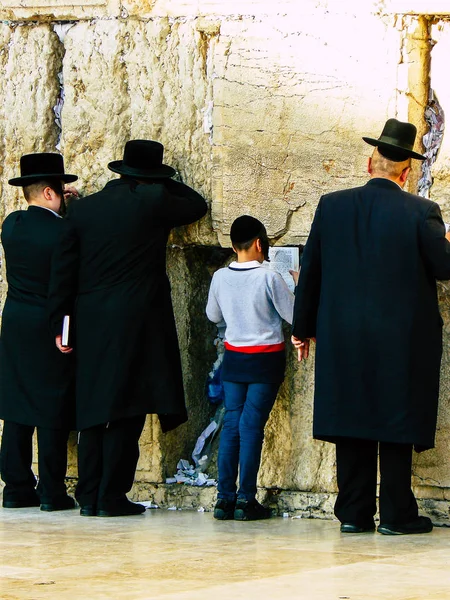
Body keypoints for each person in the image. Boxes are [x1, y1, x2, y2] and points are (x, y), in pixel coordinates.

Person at [291, 118, 450, 535]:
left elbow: (312, 271)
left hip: (344, 335)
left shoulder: (332, 205)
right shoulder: (422, 211)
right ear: (406, 171)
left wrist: (301, 328)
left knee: (352, 416)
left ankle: (354, 514)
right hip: (401, 338)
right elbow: (445, 266)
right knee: (396, 417)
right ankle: (397, 515)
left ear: (369, 163)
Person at [48, 140, 208, 517]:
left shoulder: (82, 209)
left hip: (89, 320)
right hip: (138, 321)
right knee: (127, 409)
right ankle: (111, 497)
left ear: (119, 171)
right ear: (151, 174)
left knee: (93, 407)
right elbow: (197, 204)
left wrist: (61, 324)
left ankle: (88, 495)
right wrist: (165, 181)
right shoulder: (152, 201)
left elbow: (63, 271)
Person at [0, 153, 77, 511]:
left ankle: (16, 489)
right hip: (48, 324)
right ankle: (51, 492)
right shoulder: (63, 232)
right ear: (50, 192)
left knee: (16, 405)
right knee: (51, 406)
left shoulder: (11, 224)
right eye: (61, 192)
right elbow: (64, 287)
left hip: (14, 322)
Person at [206, 215, 296, 521]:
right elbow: (292, 314)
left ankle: (223, 499)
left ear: (233, 246)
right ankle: (246, 500)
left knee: (232, 424)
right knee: (251, 426)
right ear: (260, 244)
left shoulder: (219, 277)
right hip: (264, 360)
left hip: (234, 359)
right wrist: (297, 283)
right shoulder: (269, 277)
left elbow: (212, 315)